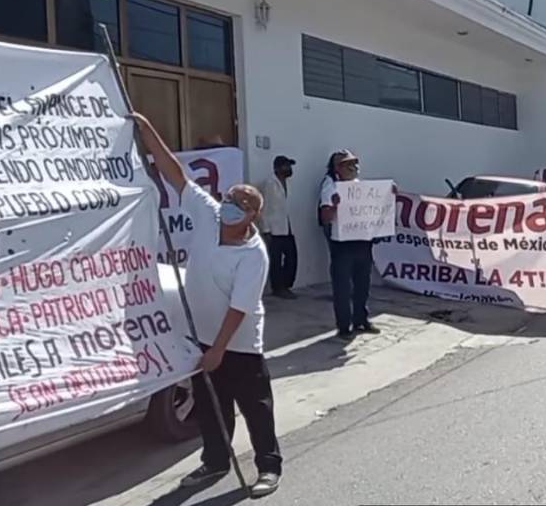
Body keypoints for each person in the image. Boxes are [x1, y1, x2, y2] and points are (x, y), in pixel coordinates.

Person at [131, 114, 282, 497]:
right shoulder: (209, 212)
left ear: (252, 216)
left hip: (239, 343)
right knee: (212, 408)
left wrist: (218, 350)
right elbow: (175, 173)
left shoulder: (253, 254)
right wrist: (147, 130)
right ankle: (215, 461)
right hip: (200, 336)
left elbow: (239, 308)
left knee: (256, 408)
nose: (231, 204)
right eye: (230, 197)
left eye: (241, 203)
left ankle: (268, 467)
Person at [319, 150, 378, 340]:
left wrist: (389, 195)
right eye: (348, 164)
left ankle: (361, 319)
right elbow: (325, 217)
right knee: (343, 287)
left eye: (355, 163)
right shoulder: (330, 187)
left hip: (362, 242)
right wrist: (335, 206)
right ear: (338, 168)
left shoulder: (360, 187)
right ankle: (344, 326)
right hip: (343, 244)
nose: (354, 167)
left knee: (363, 284)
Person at [258, 155, 297, 300]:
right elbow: (265, 207)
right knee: (276, 260)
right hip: (274, 228)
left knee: (292, 257)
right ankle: (278, 288)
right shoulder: (270, 183)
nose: (289, 169)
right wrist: (266, 230)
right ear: (277, 168)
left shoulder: (287, 183)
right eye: (286, 166)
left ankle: (286, 285)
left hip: (286, 226)